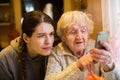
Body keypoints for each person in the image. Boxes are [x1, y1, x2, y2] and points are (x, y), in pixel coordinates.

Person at [45, 11, 120, 80]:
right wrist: (78, 66)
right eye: (73, 32)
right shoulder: (56, 52)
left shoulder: (96, 49)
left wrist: (109, 66)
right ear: (63, 37)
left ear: (88, 33)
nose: (79, 37)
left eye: (83, 31)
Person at [0, 10, 55, 80]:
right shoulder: (4, 59)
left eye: (51, 34)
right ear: (26, 38)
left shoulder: (55, 55)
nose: (49, 41)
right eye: (41, 36)